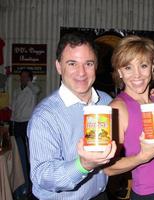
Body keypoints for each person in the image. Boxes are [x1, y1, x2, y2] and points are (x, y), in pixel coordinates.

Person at [27, 32, 117, 200]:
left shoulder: (107, 102)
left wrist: (151, 96)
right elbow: (42, 175)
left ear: (96, 66)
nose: (81, 72)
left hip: (100, 195)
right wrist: (83, 165)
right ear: (59, 66)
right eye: (72, 63)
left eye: (88, 63)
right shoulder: (45, 115)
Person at [104, 35, 154, 200]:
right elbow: (108, 167)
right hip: (150, 194)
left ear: (152, 67)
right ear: (119, 71)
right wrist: (142, 157)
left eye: (143, 65)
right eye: (128, 67)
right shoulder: (118, 108)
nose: (137, 75)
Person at [11, 68, 40, 196]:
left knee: (28, 154)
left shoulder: (32, 89)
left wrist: (29, 82)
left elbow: (37, 90)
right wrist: (11, 122)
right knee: (17, 154)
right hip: (16, 123)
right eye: (21, 76)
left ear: (29, 78)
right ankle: (20, 183)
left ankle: (30, 185)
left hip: (27, 123)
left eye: (25, 76)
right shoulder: (16, 91)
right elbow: (13, 107)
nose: (23, 78)